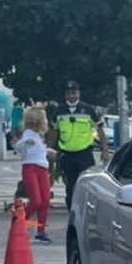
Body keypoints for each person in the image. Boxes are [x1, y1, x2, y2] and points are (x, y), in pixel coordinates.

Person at [47, 80, 109, 209]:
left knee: (88, 184)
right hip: (67, 154)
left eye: (74, 93)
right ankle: (73, 211)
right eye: (69, 93)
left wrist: (105, 149)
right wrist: (50, 149)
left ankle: (87, 210)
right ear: (65, 95)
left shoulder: (88, 110)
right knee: (71, 185)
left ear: (79, 94)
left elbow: (100, 130)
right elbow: (53, 131)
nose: (71, 96)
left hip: (84, 153)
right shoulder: (59, 110)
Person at [15, 107, 54, 242]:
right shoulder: (28, 134)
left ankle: (41, 232)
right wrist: (25, 143)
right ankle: (20, 221)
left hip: (42, 168)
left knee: (45, 201)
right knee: (36, 201)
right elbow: (19, 146)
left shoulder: (38, 136)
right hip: (31, 167)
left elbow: (39, 150)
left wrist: (48, 151)